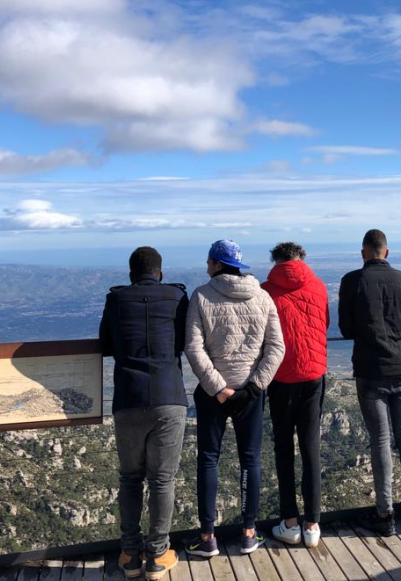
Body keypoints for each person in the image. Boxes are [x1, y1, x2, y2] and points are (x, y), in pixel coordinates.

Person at [184, 240, 285, 557]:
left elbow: (193, 348)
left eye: (208, 261)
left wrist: (217, 386)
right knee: (251, 460)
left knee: (209, 460)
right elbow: (276, 348)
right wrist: (254, 387)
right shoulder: (263, 297)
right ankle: (248, 533)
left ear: (216, 263)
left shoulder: (201, 296)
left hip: (214, 394)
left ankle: (207, 536)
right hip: (250, 394)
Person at [99, 247, 189, 580]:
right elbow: (184, 341)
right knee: (162, 480)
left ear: (131, 274)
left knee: (130, 478)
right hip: (169, 396)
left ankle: (129, 555)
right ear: (160, 272)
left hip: (128, 398)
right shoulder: (178, 297)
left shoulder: (116, 300)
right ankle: (158, 555)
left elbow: (105, 344)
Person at [339, 229, 401, 536]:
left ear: (364, 252)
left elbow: (346, 329)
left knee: (381, 441)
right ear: (386, 252)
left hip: (371, 369)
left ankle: (385, 515)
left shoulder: (352, 281)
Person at [261, 242, 329, 548]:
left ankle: (290, 522)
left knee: (284, 447)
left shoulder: (265, 291)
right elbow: (324, 324)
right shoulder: (319, 287)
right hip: (314, 374)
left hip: (281, 376)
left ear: (275, 261)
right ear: (301, 258)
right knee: (310, 446)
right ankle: (313, 524)